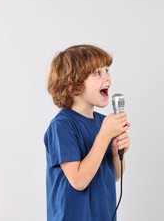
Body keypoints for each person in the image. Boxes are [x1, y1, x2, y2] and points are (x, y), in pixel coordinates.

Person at [44, 44, 131, 220]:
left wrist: (116, 154)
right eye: (97, 73)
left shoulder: (103, 123)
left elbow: (114, 175)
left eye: (107, 71)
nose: (107, 78)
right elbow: (78, 181)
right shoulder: (62, 126)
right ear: (72, 86)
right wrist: (105, 136)